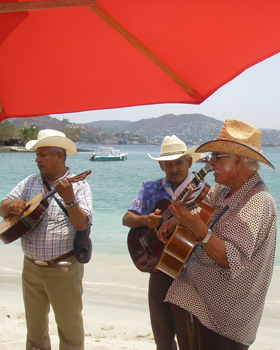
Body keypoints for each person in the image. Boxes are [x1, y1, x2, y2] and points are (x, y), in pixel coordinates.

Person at [158, 119, 277, 350]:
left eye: (216, 157)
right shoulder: (223, 190)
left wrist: (199, 229)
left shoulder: (259, 201)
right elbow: (198, 213)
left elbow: (229, 258)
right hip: (202, 300)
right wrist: (176, 221)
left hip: (227, 317)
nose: (210, 163)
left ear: (239, 161)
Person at [0, 129, 93, 350]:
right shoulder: (30, 182)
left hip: (63, 268)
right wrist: (13, 206)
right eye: (37, 155)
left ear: (59, 156)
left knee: (69, 330)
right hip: (31, 267)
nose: (37, 159)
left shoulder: (79, 186)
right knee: (35, 332)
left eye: (42, 154)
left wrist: (70, 200)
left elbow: (82, 225)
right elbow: (3, 208)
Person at [122, 135, 201, 350]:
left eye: (178, 162)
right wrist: (146, 221)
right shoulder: (149, 189)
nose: (174, 168)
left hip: (189, 274)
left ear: (189, 163)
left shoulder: (204, 193)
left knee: (189, 339)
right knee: (162, 338)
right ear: (161, 165)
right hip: (158, 271)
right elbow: (127, 219)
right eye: (168, 164)